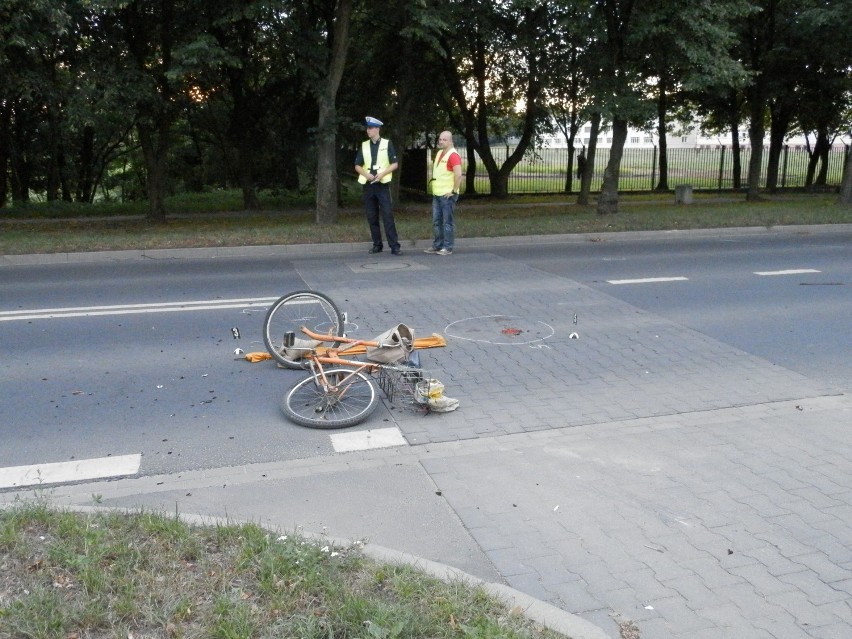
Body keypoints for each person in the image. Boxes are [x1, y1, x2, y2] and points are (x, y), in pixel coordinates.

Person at [354, 116, 402, 255]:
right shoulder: (364, 145)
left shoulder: (387, 144)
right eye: (367, 128)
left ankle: (394, 246)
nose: (368, 131)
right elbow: (357, 165)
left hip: (382, 184)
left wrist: (382, 174)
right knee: (372, 216)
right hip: (369, 185)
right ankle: (377, 244)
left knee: (387, 215)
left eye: (370, 128)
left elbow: (394, 164)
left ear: (377, 129)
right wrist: (365, 174)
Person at [424, 130, 463, 256]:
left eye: (444, 139)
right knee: (436, 221)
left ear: (451, 141)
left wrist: (453, 191)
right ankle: (438, 245)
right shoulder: (440, 153)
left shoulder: (453, 155)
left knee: (447, 222)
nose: (441, 141)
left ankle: (448, 247)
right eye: (440, 139)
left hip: (447, 195)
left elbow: (458, 175)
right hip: (437, 194)